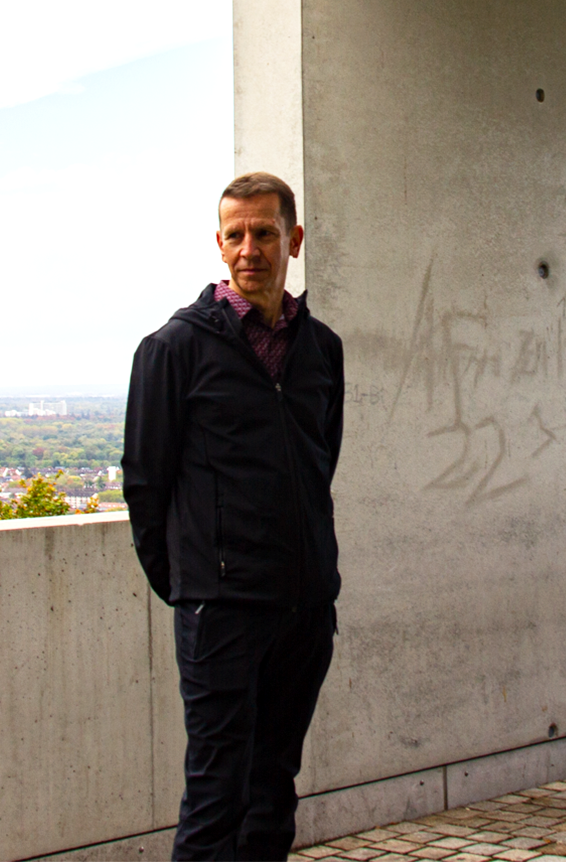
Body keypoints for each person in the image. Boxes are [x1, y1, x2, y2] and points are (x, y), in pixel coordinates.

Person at [123, 171, 346, 862]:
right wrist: (195, 585)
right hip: (220, 611)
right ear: (218, 246)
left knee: (273, 786)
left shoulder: (321, 349)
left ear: (294, 240)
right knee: (216, 795)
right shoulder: (172, 349)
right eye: (235, 234)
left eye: (265, 232)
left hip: (304, 607)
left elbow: (319, 463)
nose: (249, 248)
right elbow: (144, 484)